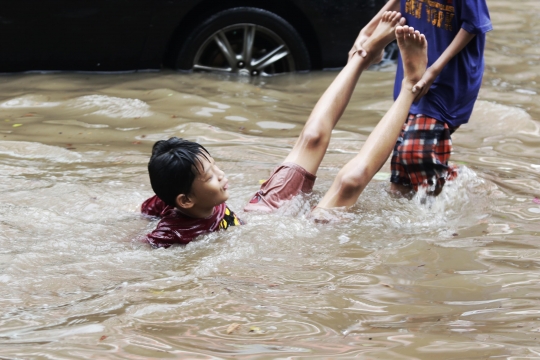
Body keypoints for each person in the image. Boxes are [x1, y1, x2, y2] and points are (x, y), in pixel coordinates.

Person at [141, 13, 429, 247]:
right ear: (186, 200)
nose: (221, 175)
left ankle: (362, 55)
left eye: (215, 167)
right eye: (210, 177)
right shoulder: (169, 236)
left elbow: (148, 208)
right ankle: (410, 85)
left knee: (312, 138)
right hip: (291, 232)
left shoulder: (171, 198)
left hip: (260, 212)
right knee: (350, 182)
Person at [350, 0, 492, 196]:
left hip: (449, 78)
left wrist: (433, 70)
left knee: (414, 153)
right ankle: (435, 203)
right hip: (411, 72)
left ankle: (464, 187)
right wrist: (368, 32)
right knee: (400, 178)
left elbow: (474, 24)